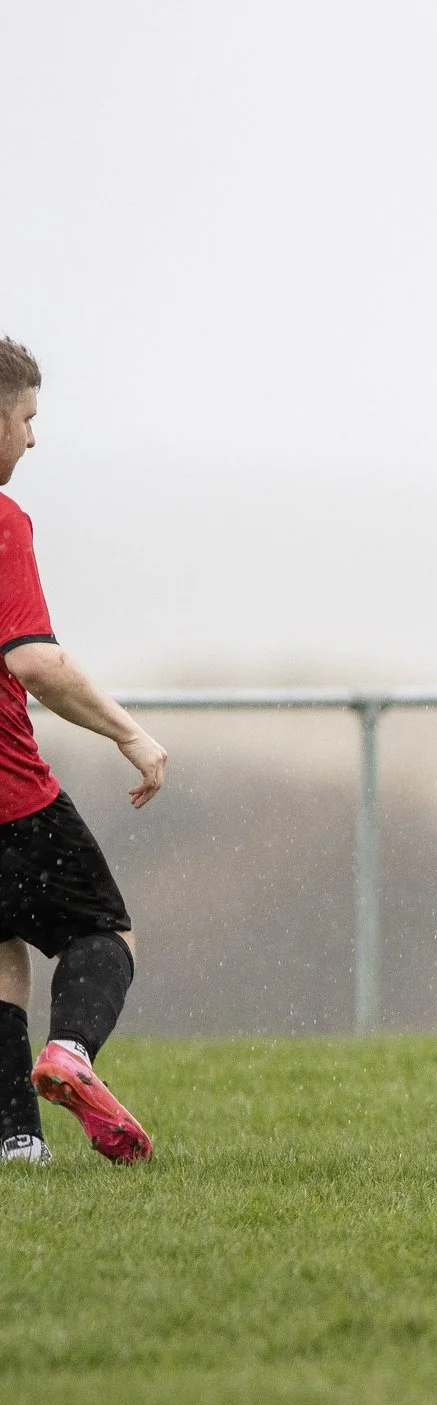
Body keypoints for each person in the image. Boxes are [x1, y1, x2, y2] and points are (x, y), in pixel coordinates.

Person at [0, 338, 167, 1168]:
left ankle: (16, 1141)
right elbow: (35, 662)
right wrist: (130, 733)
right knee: (103, 933)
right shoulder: (1, 520)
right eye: (27, 419)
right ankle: (70, 1052)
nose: (34, 439)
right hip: (10, 797)